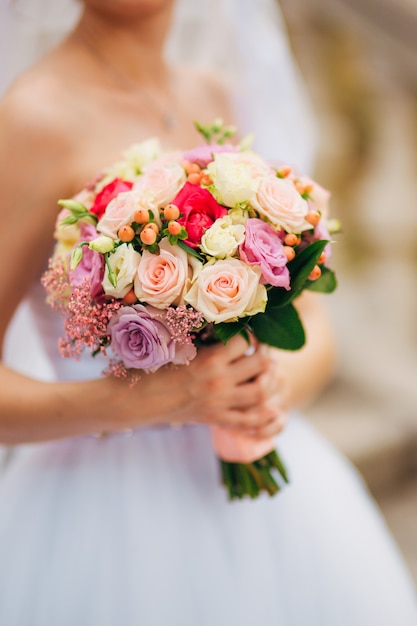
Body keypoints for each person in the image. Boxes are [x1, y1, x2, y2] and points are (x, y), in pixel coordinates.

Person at [0, 1, 416, 624]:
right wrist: (150, 400)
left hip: (273, 494)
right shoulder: (32, 119)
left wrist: (262, 389)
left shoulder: (225, 97)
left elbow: (317, 326)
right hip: (107, 509)